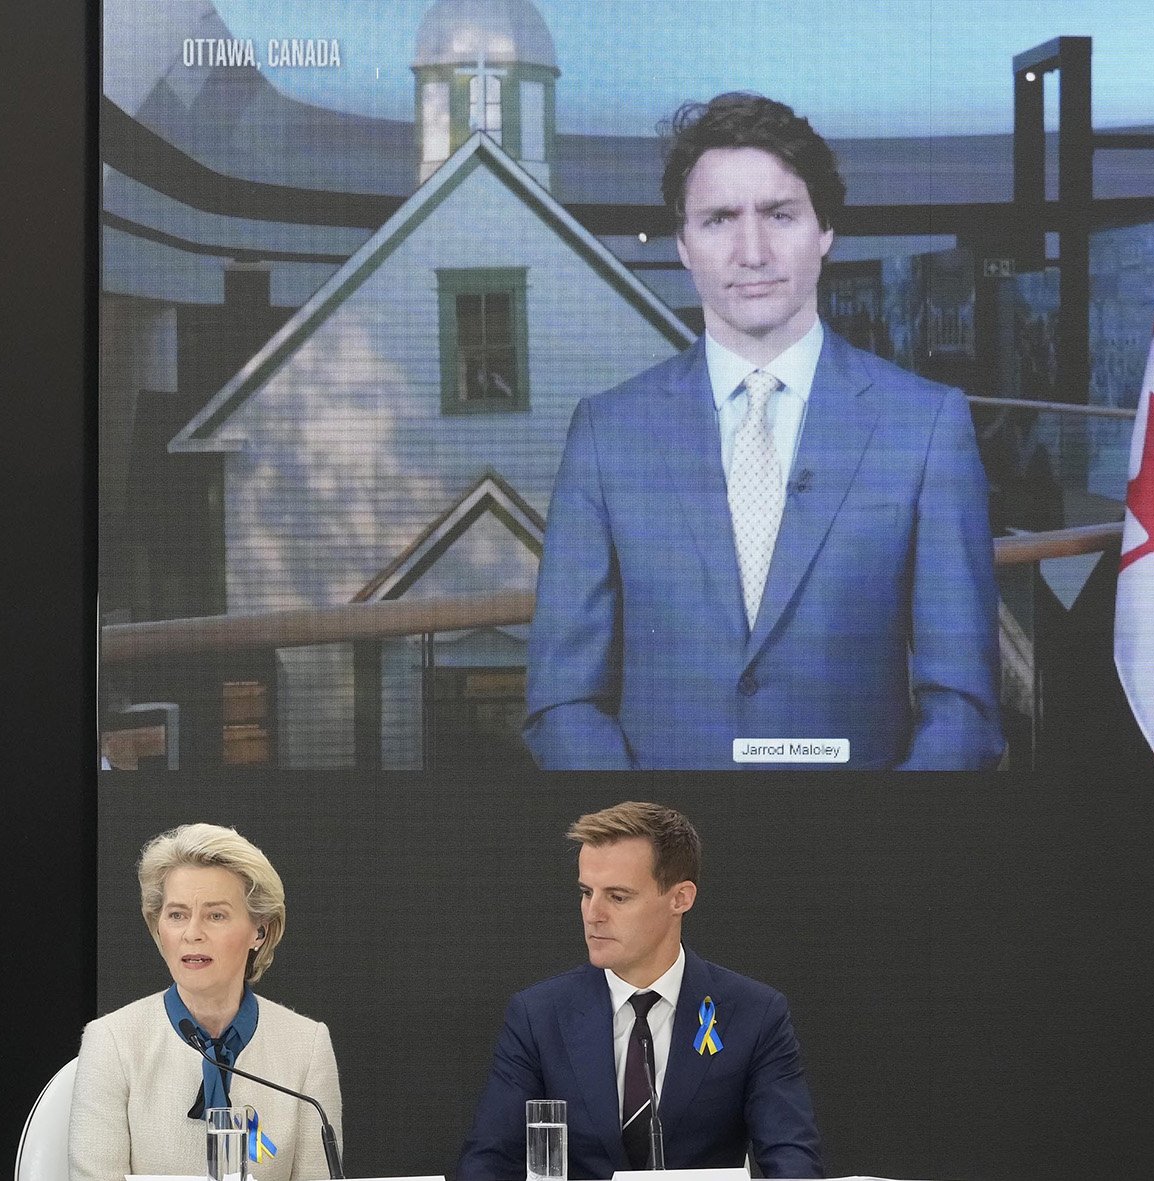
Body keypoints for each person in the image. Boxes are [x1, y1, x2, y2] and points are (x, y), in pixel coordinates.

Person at [525, 91, 1003, 770]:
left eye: (779, 214)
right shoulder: (607, 434)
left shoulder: (925, 426)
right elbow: (561, 701)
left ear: (825, 230)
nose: (752, 251)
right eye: (719, 219)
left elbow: (965, 706)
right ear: (684, 244)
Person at [456, 802, 819, 1179]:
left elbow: (792, 1159)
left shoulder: (754, 1014)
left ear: (681, 898)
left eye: (617, 897)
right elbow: (489, 1162)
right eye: (585, 892)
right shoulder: (539, 1015)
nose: (592, 913)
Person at [71, 824, 341, 1181]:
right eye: (177, 914)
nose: (192, 932)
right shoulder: (112, 1041)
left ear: (258, 931)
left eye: (216, 915)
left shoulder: (307, 1047)